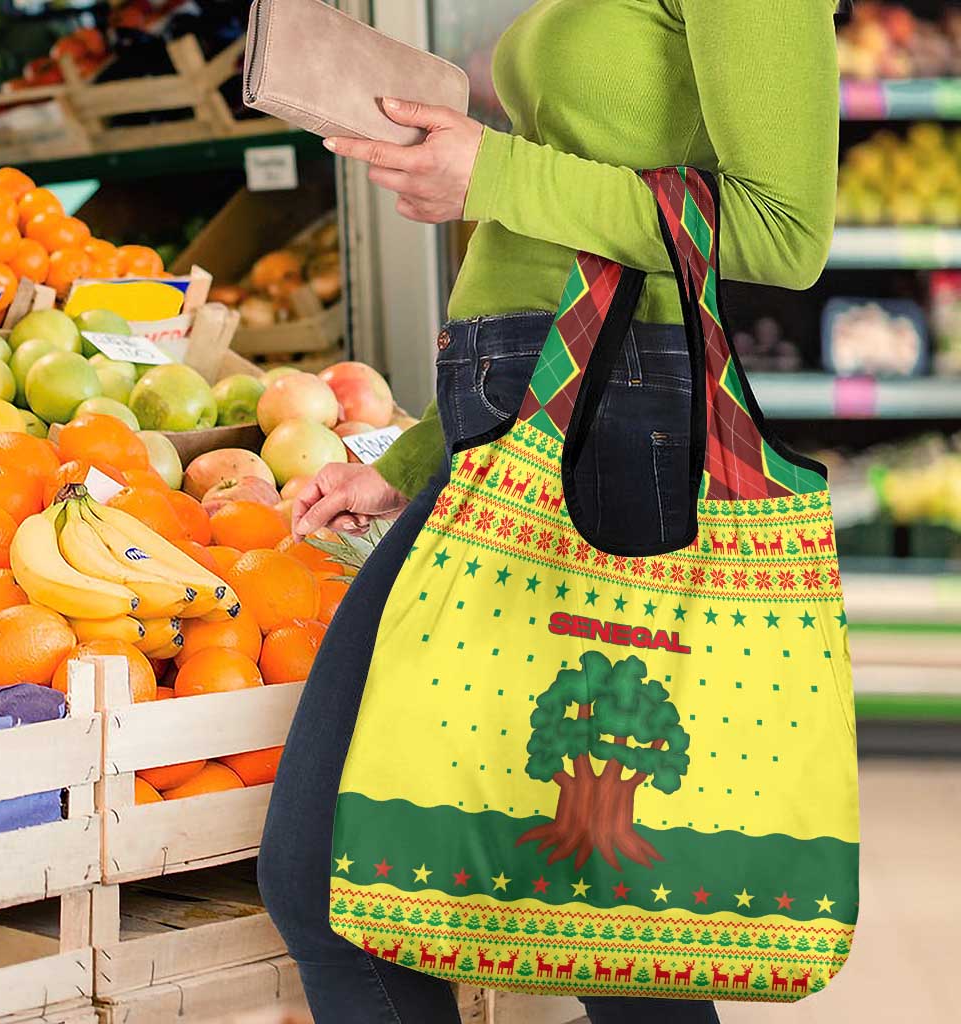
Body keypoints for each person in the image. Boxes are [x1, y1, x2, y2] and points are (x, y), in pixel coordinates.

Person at [258, 2, 842, 1022]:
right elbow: (561, 234)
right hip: (524, 425)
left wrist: (493, 173)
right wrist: (416, 456)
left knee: (351, 881)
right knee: (601, 918)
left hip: (614, 434)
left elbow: (786, 230)